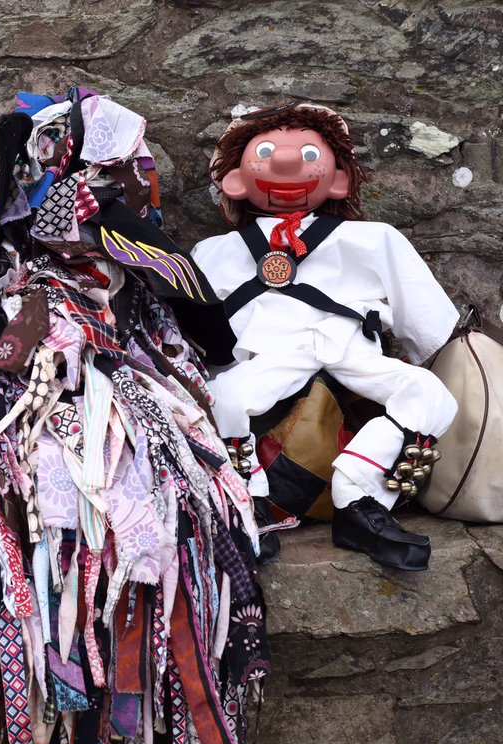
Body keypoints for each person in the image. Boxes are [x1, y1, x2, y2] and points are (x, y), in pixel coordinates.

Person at [191, 103, 458, 571]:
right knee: (224, 396)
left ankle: (359, 497)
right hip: (270, 355)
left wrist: (433, 352)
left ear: (337, 180)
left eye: (308, 154)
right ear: (235, 180)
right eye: (268, 152)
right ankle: (246, 503)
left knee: (430, 393)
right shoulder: (215, 252)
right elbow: (199, 333)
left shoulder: (375, 239)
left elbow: (429, 324)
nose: (287, 163)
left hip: (350, 348)